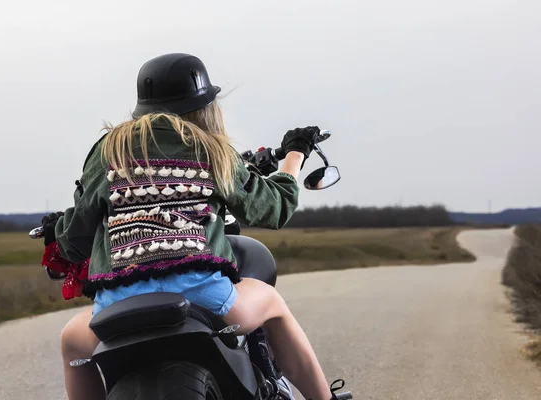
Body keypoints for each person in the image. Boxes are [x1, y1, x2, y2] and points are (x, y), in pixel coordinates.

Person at [42, 53, 347, 400]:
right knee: (273, 304)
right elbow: (273, 207)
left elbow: (75, 236)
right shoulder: (211, 148)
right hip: (203, 298)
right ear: (204, 106)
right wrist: (295, 154)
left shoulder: (108, 151)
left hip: (118, 305)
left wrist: (59, 230)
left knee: (72, 342)